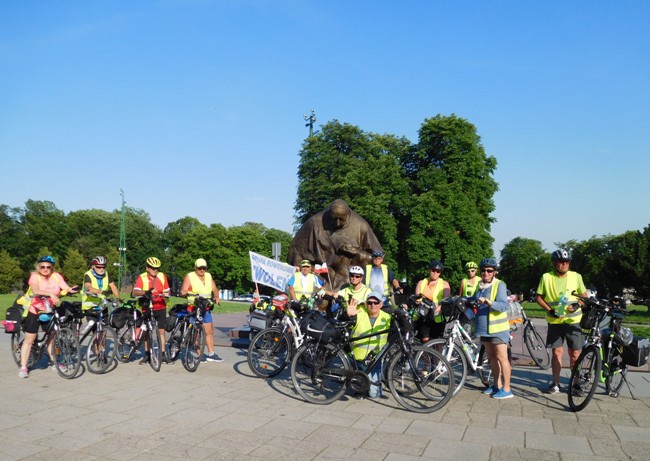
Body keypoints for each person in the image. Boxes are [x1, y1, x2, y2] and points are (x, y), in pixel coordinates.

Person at [288, 199, 383, 291]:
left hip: (347, 277)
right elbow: (297, 250)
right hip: (320, 274)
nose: (337, 223)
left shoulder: (361, 226)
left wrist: (356, 252)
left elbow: (378, 258)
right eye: (334, 219)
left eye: (341, 219)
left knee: (342, 298)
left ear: (348, 213)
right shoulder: (315, 222)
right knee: (321, 301)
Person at [536, 249, 588, 394]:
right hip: (555, 321)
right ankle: (556, 383)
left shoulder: (576, 276)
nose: (564, 264)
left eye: (566, 262)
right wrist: (549, 309)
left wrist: (578, 304)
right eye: (560, 262)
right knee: (556, 352)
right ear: (554, 263)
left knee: (575, 353)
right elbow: (538, 297)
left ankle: (575, 383)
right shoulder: (546, 277)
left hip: (573, 321)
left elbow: (584, 296)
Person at [18, 256, 79, 379]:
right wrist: (50, 293)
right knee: (30, 338)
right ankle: (23, 367)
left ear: (52, 268)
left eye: (48, 267)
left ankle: (54, 362)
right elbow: (35, 290)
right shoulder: (35, 276)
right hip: (35, 309)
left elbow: (64, 286)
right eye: (42, 266)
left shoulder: (56, 276)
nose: (45, 269)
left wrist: (70, 289)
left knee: (51, 337)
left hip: (49, 309)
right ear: (38, 267)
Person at [473, 257, 513, 399]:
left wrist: (489, 302)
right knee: (491, 358)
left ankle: (507, 389)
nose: (486, 273)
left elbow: (504, 305)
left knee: (502, 358)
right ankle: (497, 386)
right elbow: (473, 299)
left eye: (489, 271)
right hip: (484, 328)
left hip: (498, 328)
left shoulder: (499, 285)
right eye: (483, 270)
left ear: (494, 272)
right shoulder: (480, 285)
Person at [346, 291, 392, 399]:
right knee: (361, 388)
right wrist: (347, 315)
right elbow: (344, 324)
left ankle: (367, 385)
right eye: (370, 302)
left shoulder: (388, 317)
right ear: (366, 304)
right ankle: (359, 387)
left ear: (381, 304)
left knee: (374, 395)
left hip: (375, 359)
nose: (373, 305)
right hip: (358, 359)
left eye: (376, 302)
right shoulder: (359, 314)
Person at [180, 258, 223, 363]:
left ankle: (211, 353)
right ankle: (199, 354)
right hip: (194, 307)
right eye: (200, 268)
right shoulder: (190, 276)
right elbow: (183, 291)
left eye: (204, 268)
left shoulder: (208, 276)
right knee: (197, 331)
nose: (202, 270)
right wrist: (187, 292)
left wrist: (217, 296)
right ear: (195, 267)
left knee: (209, 331)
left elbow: (214, 288)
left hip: (206, 307)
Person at [132, 257, 171, 365]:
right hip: (148, 307)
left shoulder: (162, 276)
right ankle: (147, 355)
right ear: (147, 268)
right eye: (153, 268)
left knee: (162, 331)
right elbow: (135, 291)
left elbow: (167, 290)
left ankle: (162, 355)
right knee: (147, 332)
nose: (155, 270)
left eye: (157, 268)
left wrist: (165, 294)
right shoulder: (142, 277)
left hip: (160, 307)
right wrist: (145, 292)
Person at [414, 260, 451, 341]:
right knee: (425, 340)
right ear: (429, 270)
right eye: (433, 270)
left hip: (437, 317)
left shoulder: (444, 284)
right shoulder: (421, 282)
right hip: (424, 315)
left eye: (438, 271)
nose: (435, 273)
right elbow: (417, 298)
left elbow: (446, 301)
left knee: (437, 342)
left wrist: (440, 307)